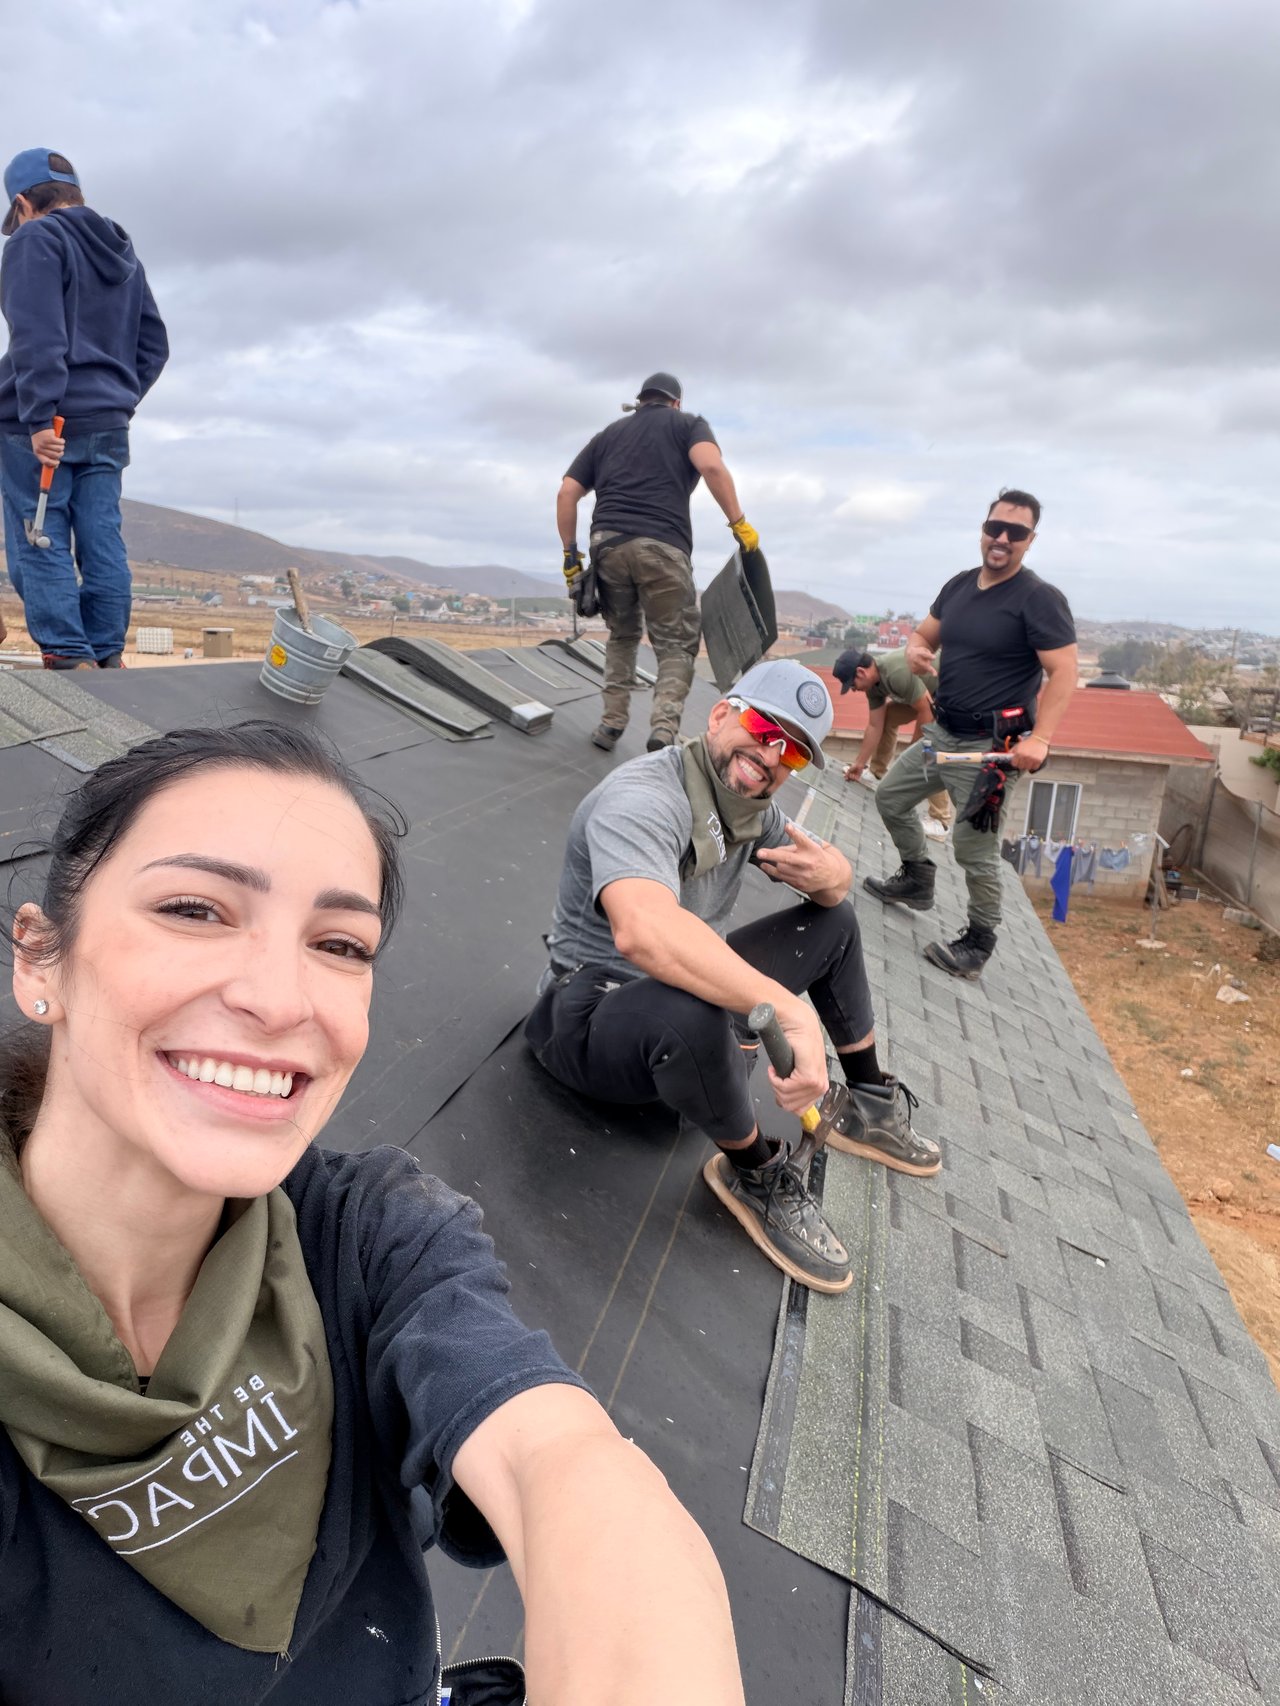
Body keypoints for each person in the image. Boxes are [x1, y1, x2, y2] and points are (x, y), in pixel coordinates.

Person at [0, 720, 745, 1706]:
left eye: (338, 943)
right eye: (194, 907)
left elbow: (558, 1463)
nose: (278, 998)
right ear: (42, 957)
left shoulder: (365, 1235)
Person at [525, 658, 942, 1298]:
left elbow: (830, 872)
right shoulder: (645, 798)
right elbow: (644, 931)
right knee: (687, 1009)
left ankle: (867, 1103)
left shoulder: (748, 804)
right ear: (721, 715)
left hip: (675, 1001)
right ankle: (754, 1175)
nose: (772, 755)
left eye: (795, 754)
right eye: (762, 726)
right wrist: (787, 1011)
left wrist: (832, 879)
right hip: (590, 1017)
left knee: (834, 922)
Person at [863, 489, 1078, 978]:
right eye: (994, 527)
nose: (1001, 538)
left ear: (1030, 540)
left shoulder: (1038, 599)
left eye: (1016, 532)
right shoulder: (960, 586)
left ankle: (978, 942)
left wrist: (1040, 738)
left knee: (973, 847)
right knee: (891, 798)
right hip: (942, 734)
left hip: (992, 750)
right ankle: (918, 879)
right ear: (983, 529)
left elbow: (1064, 673)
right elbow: (924, 635)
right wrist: (917, 651)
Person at [0, 147, 168, 669]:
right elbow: (154, 346)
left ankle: (71, 659)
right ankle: (107, 656)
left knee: (39, 535)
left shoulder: (36, 239)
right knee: (102, 539)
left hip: (44, 426)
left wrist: (39, 416)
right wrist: (115, 401)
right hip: (108, 424)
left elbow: (38, 338)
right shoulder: (123, 252)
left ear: (24, 203)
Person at [557, 371, 758, 754]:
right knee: (676, 645)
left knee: (623, 635)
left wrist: (571, 554)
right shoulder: (688, 424)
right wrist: (739, 523)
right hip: (663, 547)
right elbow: (711, 466)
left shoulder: (608, 435)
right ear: (676, 402)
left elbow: (568, 491)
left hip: (608, 548)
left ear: (641, 400)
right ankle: (663, 730)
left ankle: (610, 724)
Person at [833, 646, 953, 839]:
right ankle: (876, 773)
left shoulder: (896, 672)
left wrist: (914, 752)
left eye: (853, 684)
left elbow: (927, 711)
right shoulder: (873, 687)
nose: (854, 690)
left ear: (861, 672)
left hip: (951, 693)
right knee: (888, 716)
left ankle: (940, 821)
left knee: (930, 747)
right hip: (928, 698)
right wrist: (859, 763)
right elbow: (875, 725)